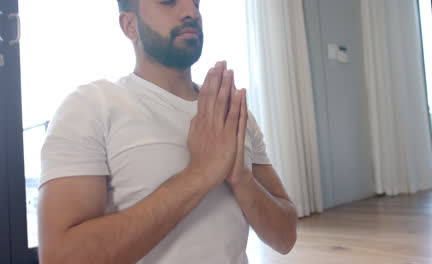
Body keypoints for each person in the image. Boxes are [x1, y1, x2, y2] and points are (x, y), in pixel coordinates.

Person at [38, 0, 297, 263]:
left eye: (195, 3)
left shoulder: (231, 113)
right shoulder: (91, 106)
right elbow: (60, 256)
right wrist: (199, 174)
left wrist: (241, 177)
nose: (191, 12)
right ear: (130, 25)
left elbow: (285, 237)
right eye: (168, 1)